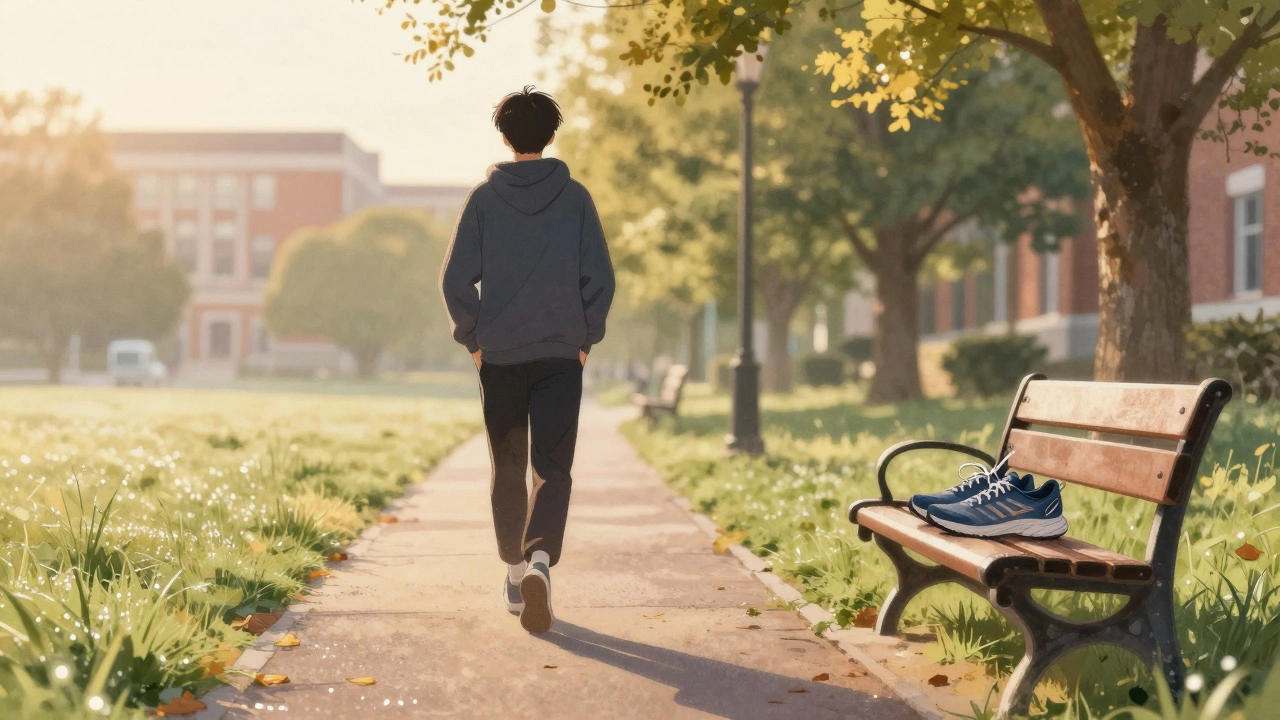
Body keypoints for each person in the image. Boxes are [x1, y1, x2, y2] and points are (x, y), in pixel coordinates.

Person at [440, 86, 615, 634]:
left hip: (502, 357)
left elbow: (454, 279)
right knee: (553, 464)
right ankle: (541, 561)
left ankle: (516, 574)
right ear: (552, 134)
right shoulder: (577, 198)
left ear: (504, 135)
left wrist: (473, 338)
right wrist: (585, 338)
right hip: (562, 355)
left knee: (508, 463)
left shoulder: (483, 201)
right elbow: (600, 278)